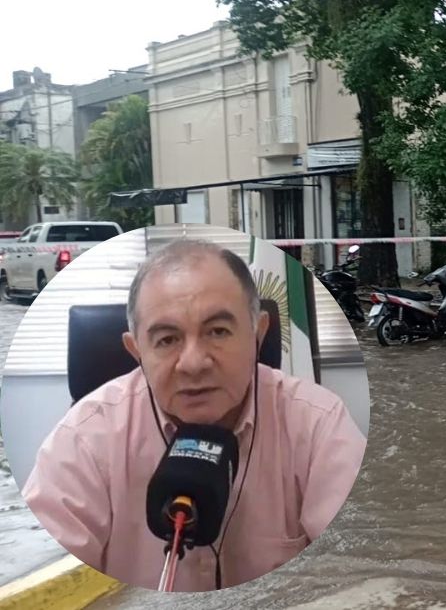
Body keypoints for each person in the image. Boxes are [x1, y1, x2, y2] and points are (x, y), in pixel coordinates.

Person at [22, 238, 367, 592]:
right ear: (136, 350)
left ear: (258, 334)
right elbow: (44, 585)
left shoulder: (318, 424)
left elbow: (362, 567)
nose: (193, 364)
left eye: (218, 332)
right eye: (167, 340)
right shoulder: (85, 439)